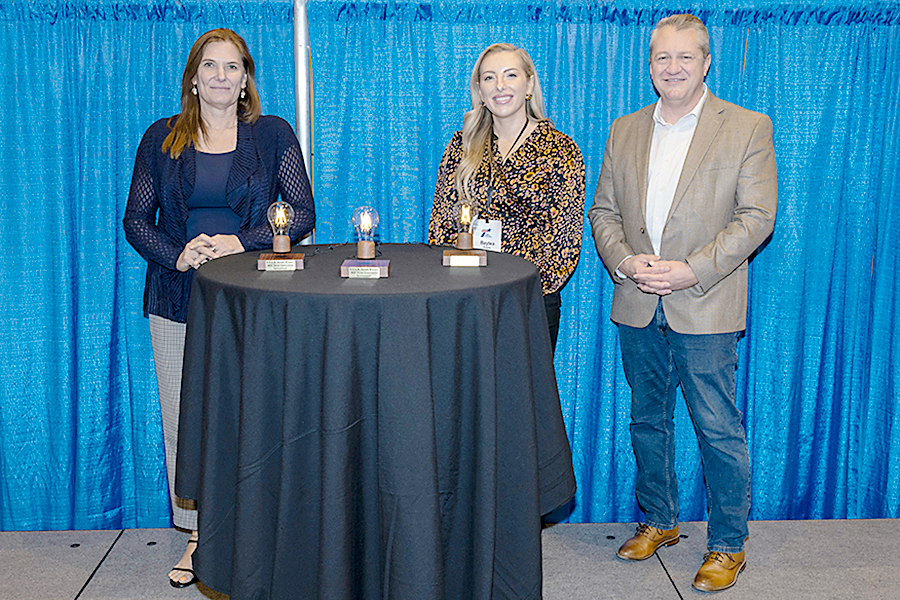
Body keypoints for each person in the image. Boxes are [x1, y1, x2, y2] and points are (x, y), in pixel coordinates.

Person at [588, 14, 777, 592]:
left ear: (706, 62)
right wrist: (625, 262)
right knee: (647, 421)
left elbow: (756, 218)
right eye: (661, 59)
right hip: (638, 302)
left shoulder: (747, 127)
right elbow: (603, 213)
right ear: (650, 65)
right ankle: (660, 522)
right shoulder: (624, 130)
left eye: (684, 58)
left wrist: (690, 269)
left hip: (707, 303)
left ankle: (727, 544)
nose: (672, 68)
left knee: (717, 427)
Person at [123, 28, 314, 588]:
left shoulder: (273, 135)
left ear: (247, 78)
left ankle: (261, 535)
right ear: (193, 77)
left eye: (233, 67)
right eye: (211, 66)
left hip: (256, 301)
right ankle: (200, 538)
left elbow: (301, 213)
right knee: (186, 423)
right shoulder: (161, 138)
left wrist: (241, 241)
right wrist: (178, 253)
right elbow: (136, 220)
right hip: (178, 299)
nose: (222, 77)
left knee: (258, 419)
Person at [429, 43, 585, 351]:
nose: (499, 85)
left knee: (523, 397)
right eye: (489, 78)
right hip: (466, 298)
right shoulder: (461, 146)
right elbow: (440, 228)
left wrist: (513, 286)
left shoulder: (560, 149)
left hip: (528, 301)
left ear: (528, 84)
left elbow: (563, 244)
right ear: (480, 90)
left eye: (510, 75)